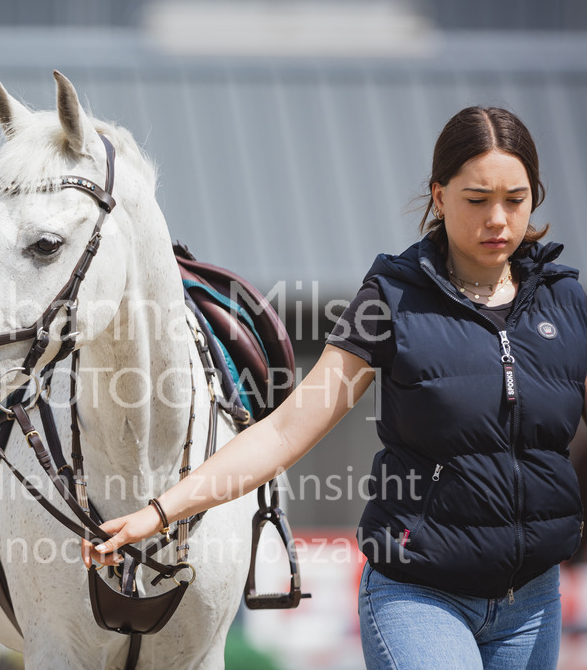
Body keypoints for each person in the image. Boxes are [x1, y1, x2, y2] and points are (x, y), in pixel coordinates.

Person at [83, 107, 587, 668]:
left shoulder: (566, 303)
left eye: (515, 200)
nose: (499, 219)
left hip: (535, 602)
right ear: (439, 198)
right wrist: (159, 511)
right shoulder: (389, 299)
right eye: (476, 200)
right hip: (422, 594)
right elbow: (285, 431)